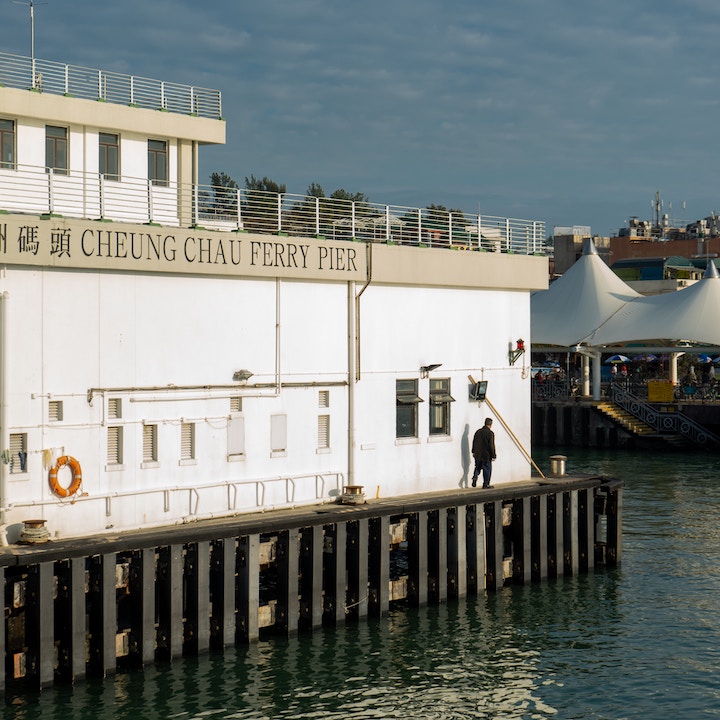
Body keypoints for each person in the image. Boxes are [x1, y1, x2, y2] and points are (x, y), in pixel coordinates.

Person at [471, 418, 496, 488]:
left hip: (478, 454)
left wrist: (473, 451)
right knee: (487, 469)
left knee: (478, 467)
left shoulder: (478, 432)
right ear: (490, 424)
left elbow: (474, 442)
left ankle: (475, 476)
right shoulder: (490, 433)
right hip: (486, 455)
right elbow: (491, 445)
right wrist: (493, 455)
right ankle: (486, 484)